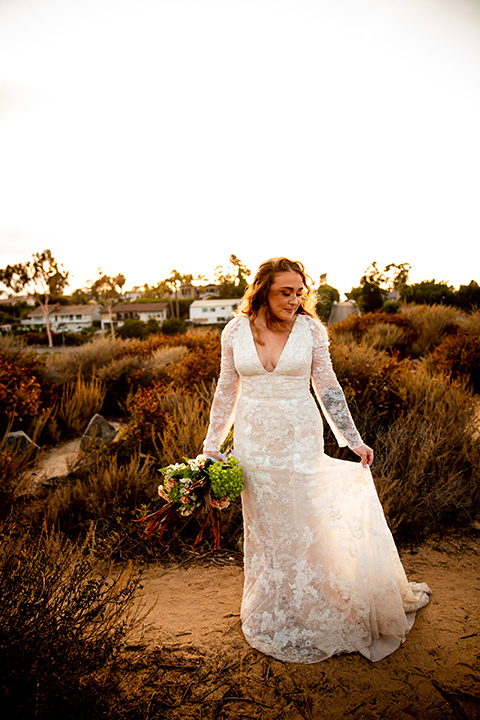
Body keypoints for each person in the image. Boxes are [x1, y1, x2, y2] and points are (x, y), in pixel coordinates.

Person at [203, 257, 430, 663]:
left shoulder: (310, 331)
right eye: (284, 292)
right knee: (267, 526)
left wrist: (351, 439)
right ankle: (275, 607)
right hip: (255, 444)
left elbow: (327, 386)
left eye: (298, 292)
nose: (294, 300)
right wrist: (211, 446)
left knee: (306, 518)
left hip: (298, 439)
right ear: (262, 291)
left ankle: (319, 604)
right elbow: (226, 391)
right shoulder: (235, 330)